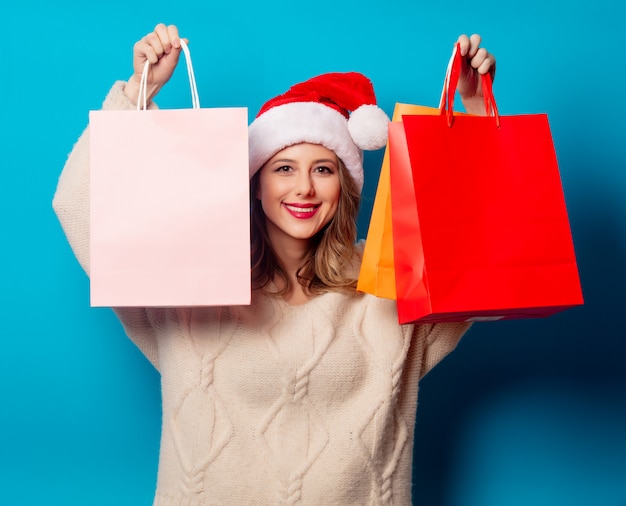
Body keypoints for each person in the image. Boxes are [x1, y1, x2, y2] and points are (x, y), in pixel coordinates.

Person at [53, 23, 496, 505]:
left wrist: (474, 116)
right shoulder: (190, 275)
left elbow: (483, 260)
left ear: (344, 187)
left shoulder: (390, 281)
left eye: (323, 169)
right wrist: (138, 93)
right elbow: (83, 208)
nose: (304, 188)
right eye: (284, 168)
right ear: (256, 184)